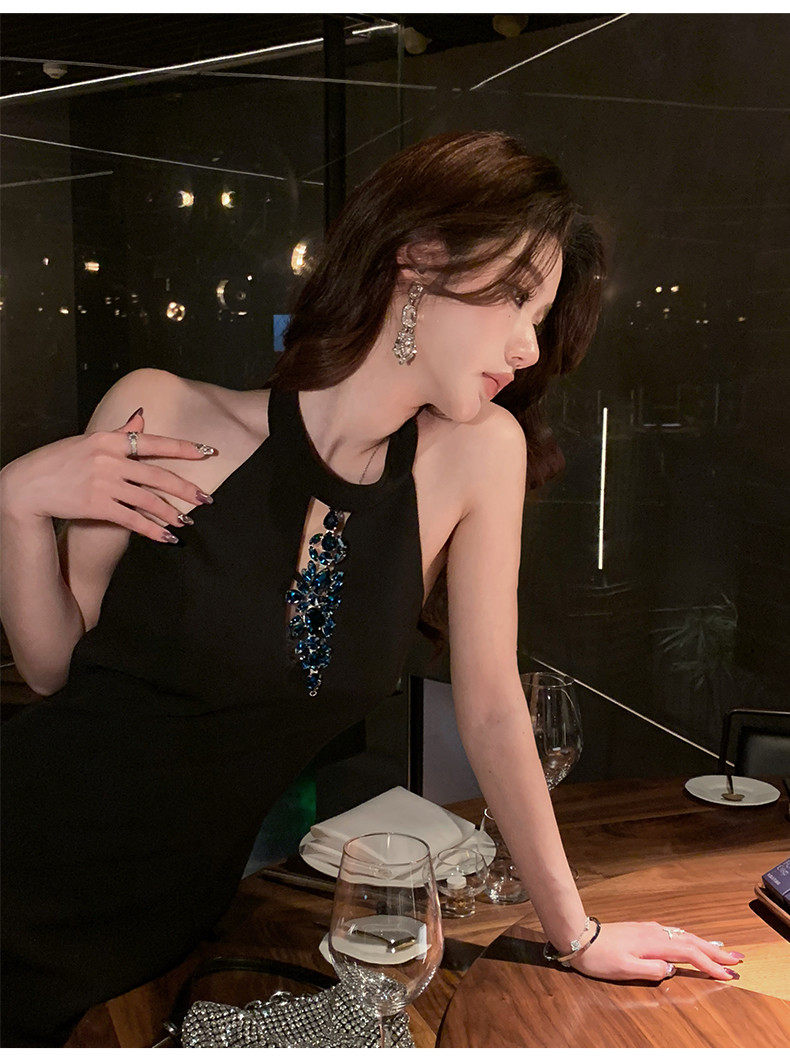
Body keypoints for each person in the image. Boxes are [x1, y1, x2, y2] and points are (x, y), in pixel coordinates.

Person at [0, 131, 742, 1046]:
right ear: (418, 261)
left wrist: (576, 933)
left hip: (161, 924)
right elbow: (55, 671)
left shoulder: (477, 456)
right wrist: (15, 506)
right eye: (516, 296)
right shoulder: (165, 411)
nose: (526, 344)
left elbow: (493, 706)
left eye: (542, 316)